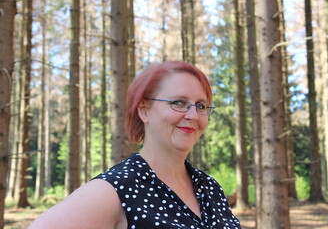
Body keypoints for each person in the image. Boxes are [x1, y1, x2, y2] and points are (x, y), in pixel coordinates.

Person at [28, 61, 241, 229]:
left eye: (201, 105)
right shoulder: (117, 188)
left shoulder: (209, 188)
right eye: (178, 103)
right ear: (144, 110)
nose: (193, 115)